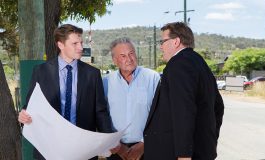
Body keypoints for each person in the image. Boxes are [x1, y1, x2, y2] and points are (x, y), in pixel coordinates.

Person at [18, 24, 115, 160]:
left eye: (81, 43)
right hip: (49, 148)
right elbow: (30, 107)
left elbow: (100, 111)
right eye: (75, 43)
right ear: (60, 45)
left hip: (83, 149)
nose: (81, 48)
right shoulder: (41, 71)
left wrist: (109, 140)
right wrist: (23, 116)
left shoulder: (92, 74)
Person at [143, 22, 225, 160]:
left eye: (163, 41)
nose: (161, 46)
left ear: (176, 42)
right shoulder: (199, 62)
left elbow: (183, 111)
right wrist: (209, 141)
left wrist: (184, 154)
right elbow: (218, 107)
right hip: (201, 151)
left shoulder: (178, 64)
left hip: (178, 154)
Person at [102, 37, 160, 160]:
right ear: (114, 60)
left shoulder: (152, 78)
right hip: (115, 150)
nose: (129, 59)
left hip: (148, 149)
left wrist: (144, 144)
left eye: (131, 53)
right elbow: (102, 116)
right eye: (123, 56)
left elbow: (161, 114)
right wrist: (117, 146)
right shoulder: (105, 82)